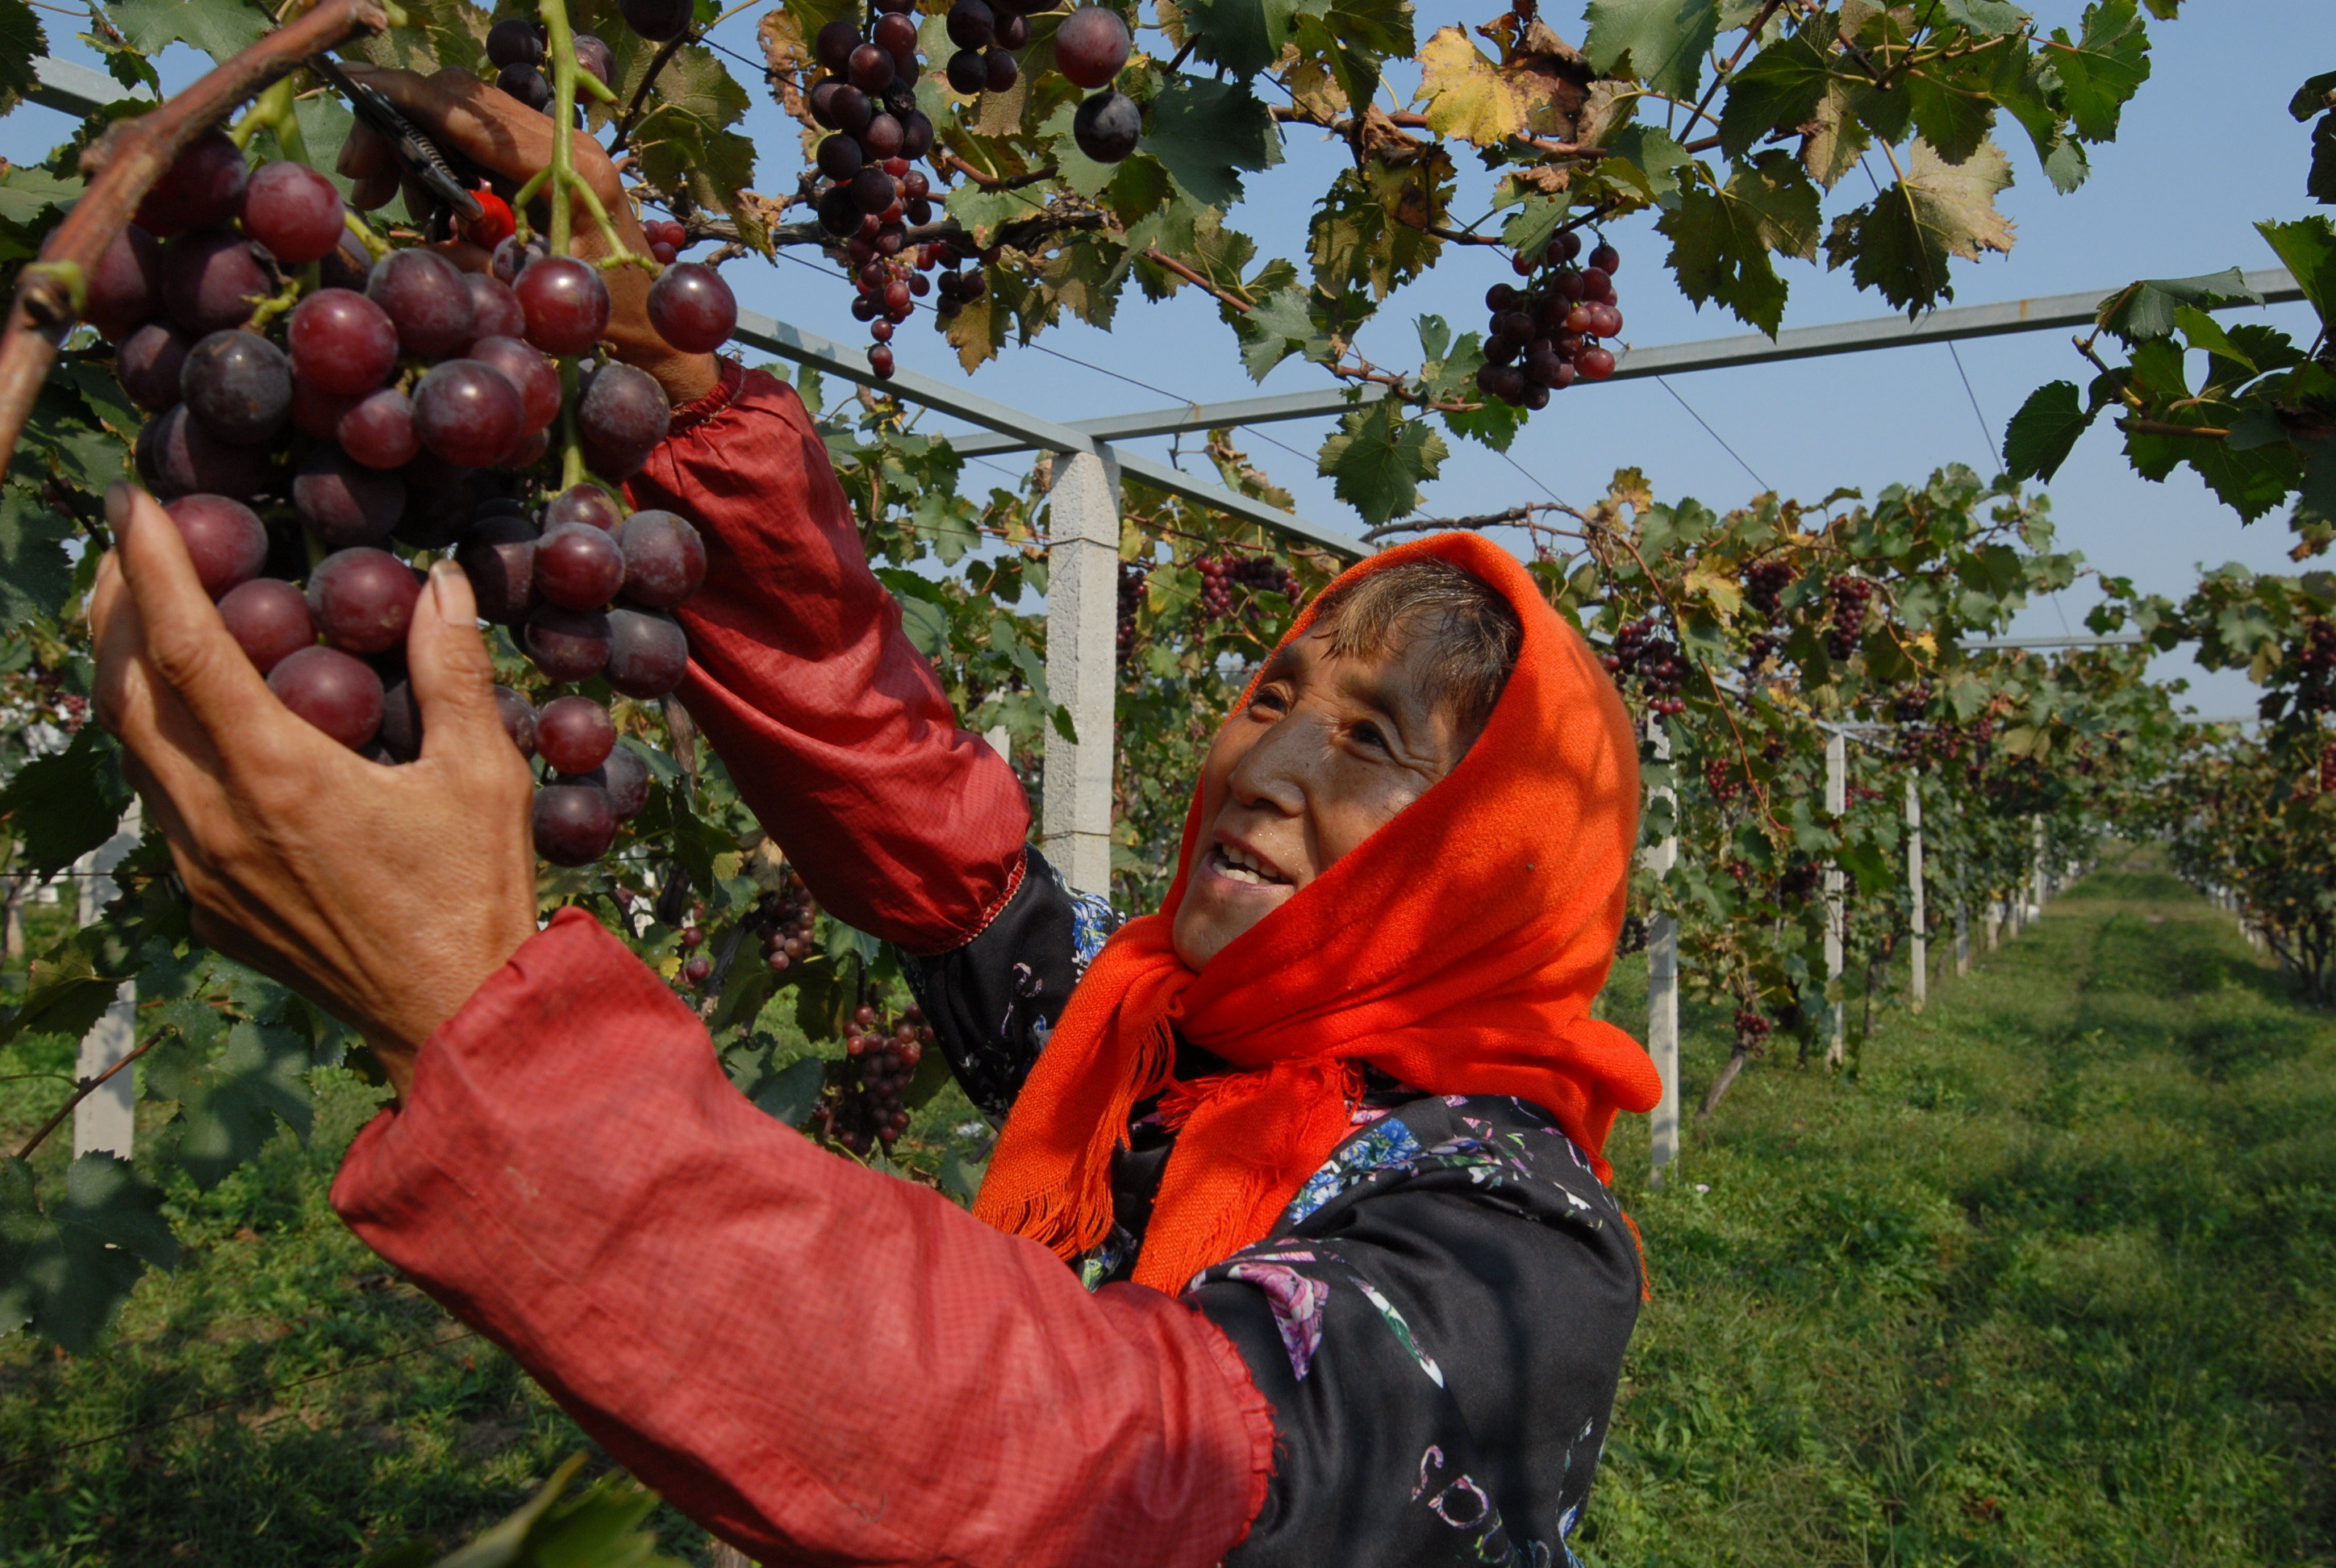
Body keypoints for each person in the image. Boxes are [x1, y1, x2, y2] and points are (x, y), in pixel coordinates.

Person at [90, 65, 1663, 1568]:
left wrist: (487, 1035)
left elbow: (1116, 1469)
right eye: (1273, 695)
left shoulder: (1512, 1246)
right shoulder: (1164, 1044)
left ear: (1496, 870)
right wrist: (694, 429)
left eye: (1373, 742)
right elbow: (948, 859)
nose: (1262, 769)